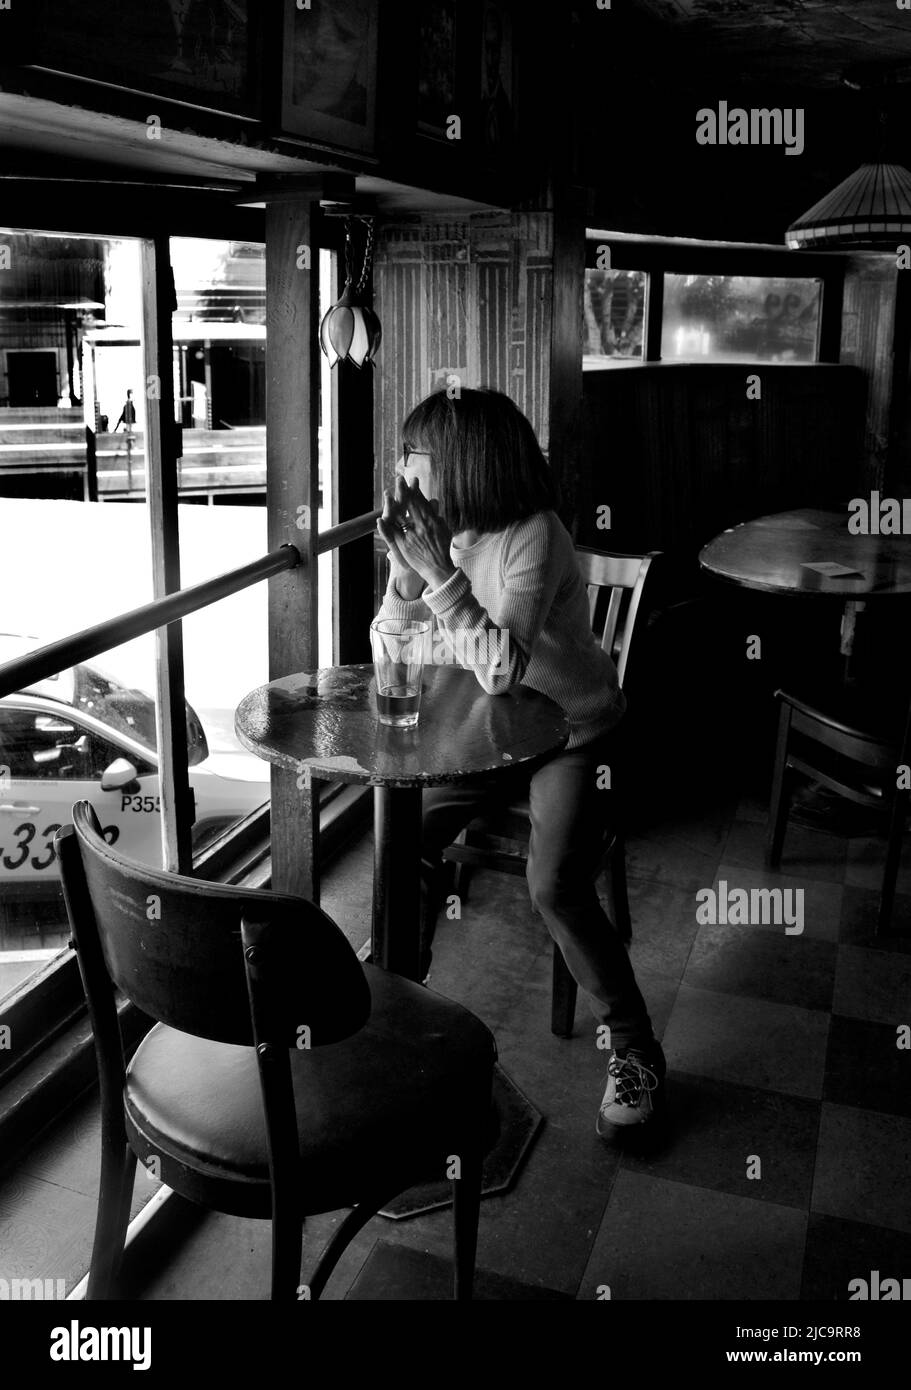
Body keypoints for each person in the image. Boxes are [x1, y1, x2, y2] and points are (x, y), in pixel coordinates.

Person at [374, 387, 666, 1136]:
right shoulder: (435, 537)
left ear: (465, 463)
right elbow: (389, 645)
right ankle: (395, 1009)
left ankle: (635, 1049)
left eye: (416, 455)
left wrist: (436, 578)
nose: (402, 468)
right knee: (404, 837)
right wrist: (405, 585)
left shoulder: (532, 534)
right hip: (484, 732)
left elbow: (499, 664)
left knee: (554, 884)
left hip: (573, 734)